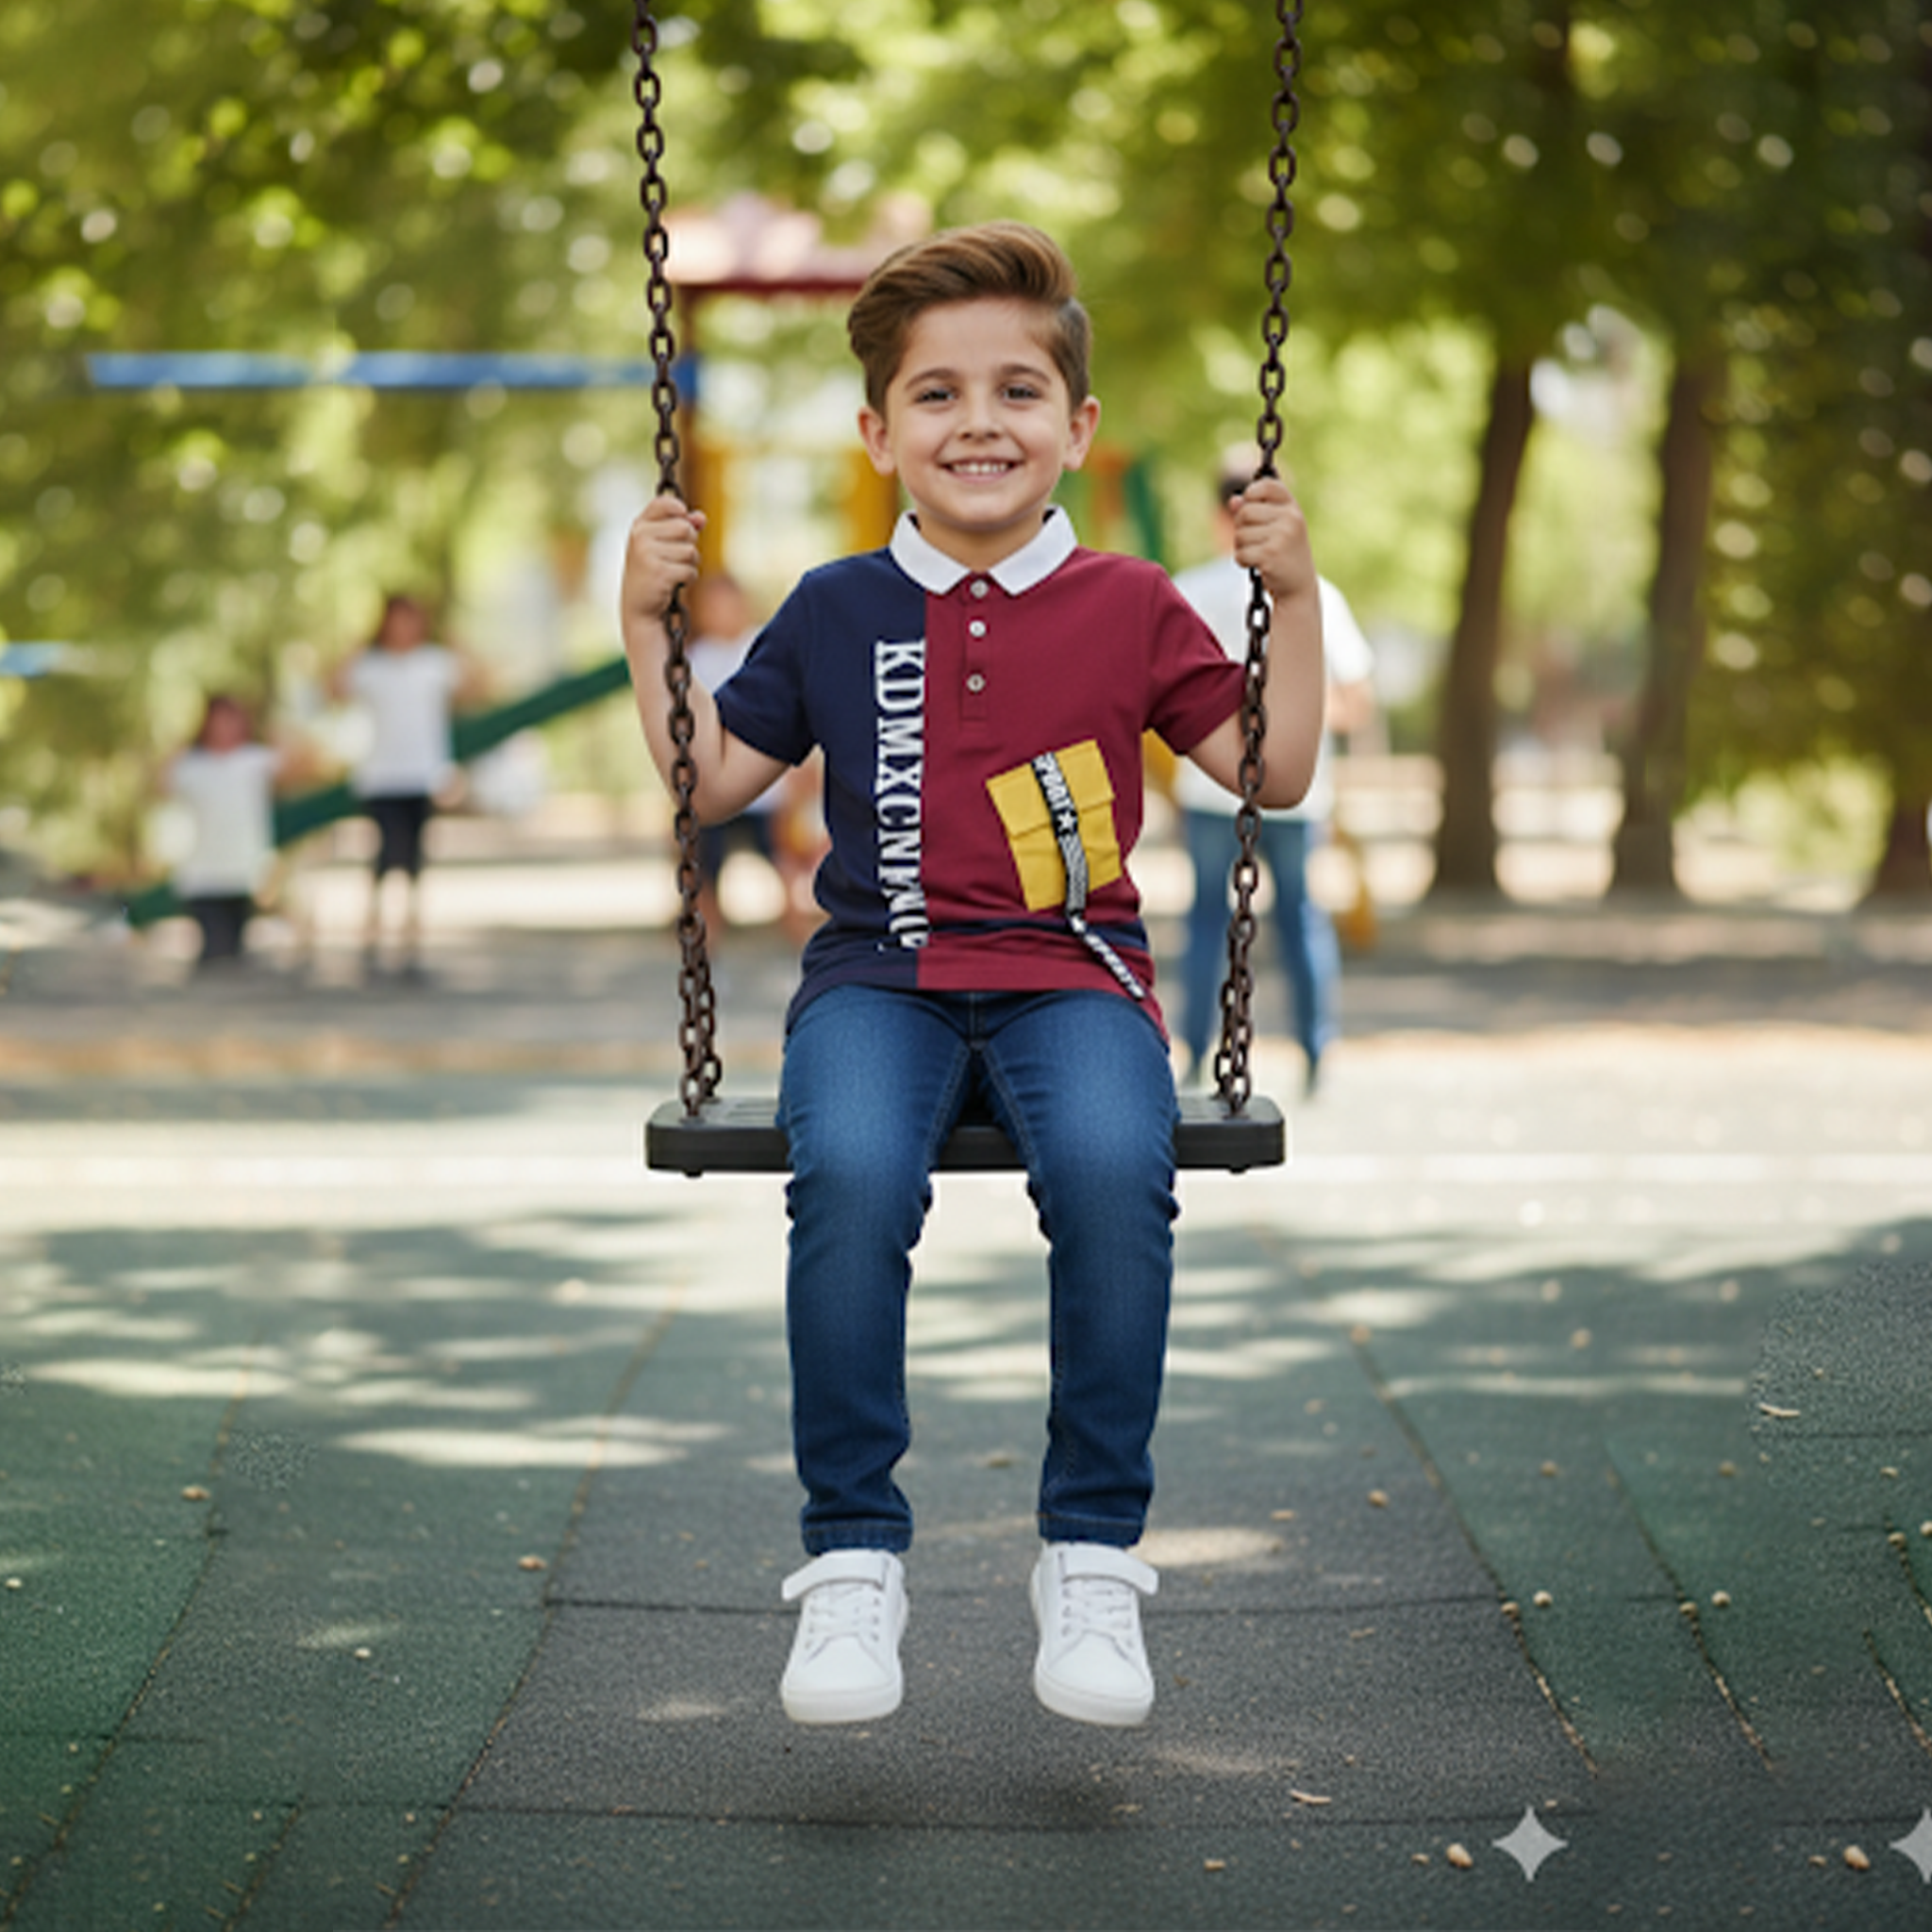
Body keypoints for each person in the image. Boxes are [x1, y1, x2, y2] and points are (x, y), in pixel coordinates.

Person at [620, 223, 1324, 1731]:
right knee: (856, 1172)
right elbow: (713, 780)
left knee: (1116, 1165)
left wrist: (1299, 600)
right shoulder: (834, 605)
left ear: (1076, 427)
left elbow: (1269, 764)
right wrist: (643, 622)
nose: (978, 424)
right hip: (877, 975)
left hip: (1074, 972)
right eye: (936, 396)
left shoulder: (1136, 602)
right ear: (879, 434)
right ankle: (855, 1562)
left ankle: (1090, 1554)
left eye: (1016, 391)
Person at [1173, 464, 1375, 1097]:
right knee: (1299, 917)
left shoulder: (1185, 593)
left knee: (1208, 920)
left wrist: (1229, 724)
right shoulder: (1317, 595)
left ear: (1216, 516)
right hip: (1297, 794)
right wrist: (1287, 721)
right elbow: (1355, 701)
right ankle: (1317, 1050)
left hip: (1210, 790)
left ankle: (1196, 1052)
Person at [330, 594, 482, 979]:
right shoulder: (371, 666)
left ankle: (410, 945)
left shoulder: (434, 663)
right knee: (383, 859)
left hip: (422, 775)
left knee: (414, 861)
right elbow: (333, 688)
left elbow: (477, 684)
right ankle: (371, 941)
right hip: (381, 776)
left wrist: (454, 639)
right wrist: (357, 644)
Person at [686, 573, 824, 945]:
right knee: (706, 861)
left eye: (727, 605)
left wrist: (804, 769)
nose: (721, 614)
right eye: (711, 608)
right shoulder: (698, 658)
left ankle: (794, 918)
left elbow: (797, 708)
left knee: (783, 857)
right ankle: (708, 923)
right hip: (715, 780)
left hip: (767, 786)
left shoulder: (763, 645)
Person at [164, 693, 287, 970]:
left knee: (233, 953)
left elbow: (299, 765)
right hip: (202, 873)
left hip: (243, 871)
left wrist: (274, 731)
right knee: (214, 951)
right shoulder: (191, 766)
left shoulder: (254, 760)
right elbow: (161, 784)